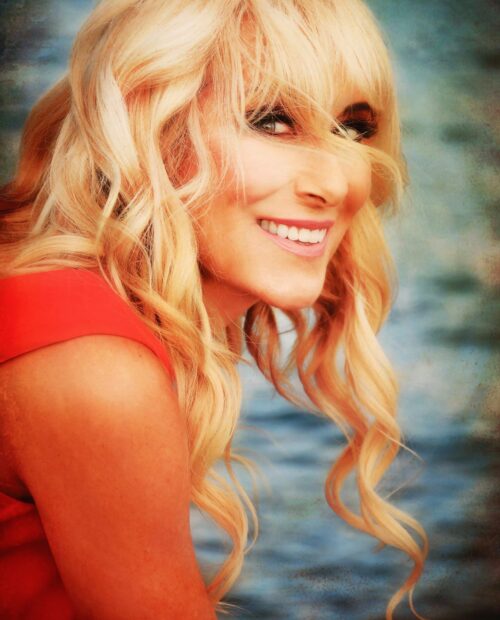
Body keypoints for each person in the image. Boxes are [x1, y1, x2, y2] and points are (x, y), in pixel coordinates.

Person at [0, 0, 428, 618]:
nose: (336, 183)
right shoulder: (92, 365)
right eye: (272, 121)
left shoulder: (52, 292)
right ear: (151, 126)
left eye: (353, 129)